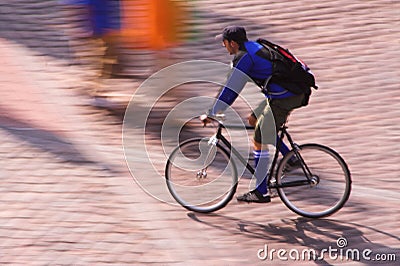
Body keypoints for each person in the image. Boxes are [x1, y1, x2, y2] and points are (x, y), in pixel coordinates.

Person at [201, 26, 306, 203]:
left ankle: (261, 191)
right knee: (253, 119)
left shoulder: (245, 58)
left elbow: (232, 90)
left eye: (224, 42)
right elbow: (228, 83)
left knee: (259, 137)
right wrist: (214, 108)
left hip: (286, 97)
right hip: (284, 94)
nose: (223, 45)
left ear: (232, 43)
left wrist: (213, 112)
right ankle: (290, 158)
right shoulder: (252, 48)